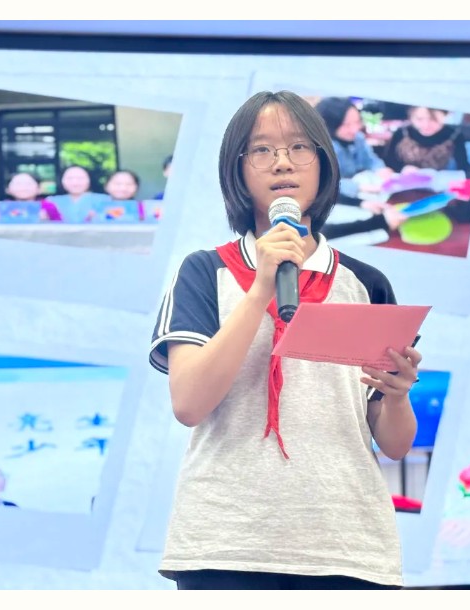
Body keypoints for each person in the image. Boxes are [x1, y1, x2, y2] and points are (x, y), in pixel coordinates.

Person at [149, 90, 422, 590]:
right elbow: (188, 403)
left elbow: (394, 443)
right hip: (225, 542)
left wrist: (399, 395)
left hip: (348, 546)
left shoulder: (367, 284)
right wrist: (261, 289)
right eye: (261, 149)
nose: (282, 162)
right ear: (237, 170)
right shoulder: (204, 272)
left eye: (299, 147)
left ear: (324, 164)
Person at [315, 97, 406, 236]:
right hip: (339, 202)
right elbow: (325, 185)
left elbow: (370, 159)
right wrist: (359, 187)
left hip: (361, 196)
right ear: (328, 125)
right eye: (346, 125)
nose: (354, 129)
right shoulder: (320, 151)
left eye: (357, 122)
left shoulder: (358, 137)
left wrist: (380, 169)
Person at [382, 106, 470, 178]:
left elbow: (463, 166)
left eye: (433, 119)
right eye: (419, 119)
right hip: (403, 182)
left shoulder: (454, 135)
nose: (426, 125)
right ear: (411, 117)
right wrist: (401, 170)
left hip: (435, 185)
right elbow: (388, 163)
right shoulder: (402, 133)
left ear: (446, 116)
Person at [43, 165, 107, 223]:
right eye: (69, 178)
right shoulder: (51, 201)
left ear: (89, 180)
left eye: (80, 178)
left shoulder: (104, 200)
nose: (75, 182)